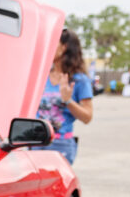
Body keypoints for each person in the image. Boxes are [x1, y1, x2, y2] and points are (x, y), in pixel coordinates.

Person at [35, 28, 93, 164]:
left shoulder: (79, 80)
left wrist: (68, 100)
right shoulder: (42, 77)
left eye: (53, 43)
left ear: (65, 47)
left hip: (61, 145)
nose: (48, 47)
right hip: (36, 142)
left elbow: (87, 117)